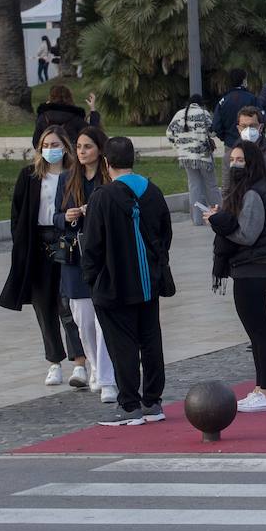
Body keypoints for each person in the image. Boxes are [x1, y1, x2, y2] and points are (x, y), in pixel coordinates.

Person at [81, 136, 173, 426]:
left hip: (115, 284)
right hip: (149, 281)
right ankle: (153, 402)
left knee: (122, 345)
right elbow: (165, 235)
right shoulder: (153, 191)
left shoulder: (102, 197)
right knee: (150, 339)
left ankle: (129, 404)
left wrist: (91, 278)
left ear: (107, 163)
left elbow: (93, 244)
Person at [0, 127, 88, 387]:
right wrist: (20, 241)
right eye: (46, 144)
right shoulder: (29, 176)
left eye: (55, 144)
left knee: (67, 303)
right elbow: (17, 212)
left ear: (65, 147)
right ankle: (54, 361)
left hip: (65, 239)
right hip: (37, 243)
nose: (50, 149)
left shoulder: (74, 176)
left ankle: (79, 361)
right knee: (43, 305)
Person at [206, 141, 266, 413]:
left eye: (240, 160)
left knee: (260, 333)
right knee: (258, 334)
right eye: (233, 159)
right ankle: (261, 388)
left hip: (252, 270)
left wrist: (218, 224)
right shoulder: (254, 190)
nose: (235, 164)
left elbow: (247, 235)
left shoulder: (253, 194)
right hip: (254, 269)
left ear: (251, 163)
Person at [56, 126, 116, 403]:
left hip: (104, 256)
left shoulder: (108, 179)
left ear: (100, 149)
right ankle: (95, 366)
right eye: (79, 147)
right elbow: (54, 218)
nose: (81, 152)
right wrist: (67, 216)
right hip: (75, 257)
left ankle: (107, 378)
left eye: (87, 146)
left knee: (104, 319)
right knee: (84, 322)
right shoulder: (67, 179)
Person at [166, 95, 220, 227]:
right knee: (211, 186)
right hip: (203, 157)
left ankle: (197, 219)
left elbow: (169, 133)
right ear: (201, 104)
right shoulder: (203, 113)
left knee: (194, 187)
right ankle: (218, 215)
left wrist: (179, 146)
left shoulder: (179, 114)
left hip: (186, 158)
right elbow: (212, 132)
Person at [210, 69, 259, 162]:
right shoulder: (252, 99)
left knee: (232, 171)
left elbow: (216, 125)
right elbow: (261, 119)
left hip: (230, 143)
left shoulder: (223, 101)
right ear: (244, 80)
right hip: (250, 143)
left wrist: (225, 137)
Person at [32, 84, 101, 147]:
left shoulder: (43, 117)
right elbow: (92, 133)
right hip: (71, 157)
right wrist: (93, 110)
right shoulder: (76, 118)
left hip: (47, 157)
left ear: (51, 98)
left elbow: (36, 142)